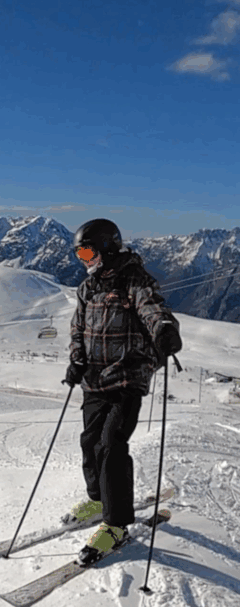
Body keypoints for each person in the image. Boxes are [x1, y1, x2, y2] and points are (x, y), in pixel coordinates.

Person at [61, 218, 183, 565]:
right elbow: (77, 328)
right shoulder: (88, 287)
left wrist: (164, 330)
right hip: (94, 380)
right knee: (89, 442)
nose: (84, 260)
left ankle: (116, 525)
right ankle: (98, 499)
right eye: (79, 255)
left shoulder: (134, 280)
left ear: (107, 248)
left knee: (111, 445)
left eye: (87, 252)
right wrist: (77, 360)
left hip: (128, 377)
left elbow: (153, 308)